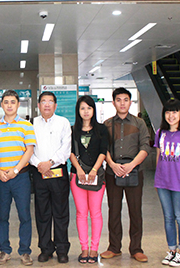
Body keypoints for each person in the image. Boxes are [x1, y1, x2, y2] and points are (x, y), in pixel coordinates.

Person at [101, 88, 151, 263]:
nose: (122, 103)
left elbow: (145, 146)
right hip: (112, 171)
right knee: (114, 210)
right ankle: (114, 247)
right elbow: (103, 148)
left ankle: (136, 249)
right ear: (113, 102)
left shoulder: (139, 123)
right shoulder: (107, 124)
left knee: (135, 210)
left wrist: (131, 165)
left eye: (126, 100)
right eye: (119, 100)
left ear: (130, 102)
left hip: (134, 171)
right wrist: (112, 164)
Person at [0, 90, 36, 266]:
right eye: (6, 102)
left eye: (13, 102)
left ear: (18, 105)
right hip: (1, 178)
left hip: (21, 178)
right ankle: (4, 250)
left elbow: (29, 150)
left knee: (24, 215)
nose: (9, 105)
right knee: (2, 216)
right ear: (1, 105)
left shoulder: (26, 125)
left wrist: (15, 170)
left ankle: (25, 251)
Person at [154, 99, 180, 267]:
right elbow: (159, 156)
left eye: (174, 112)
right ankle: (171, 250)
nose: (171, 115)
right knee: (168, 217)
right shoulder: (160, 133)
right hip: (162, 182)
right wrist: (158, 178)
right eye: (168, 112)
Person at [30, 91, 71, 264]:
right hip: (38, 172)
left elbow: (66, 148)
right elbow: (28, 149)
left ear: (55, 105)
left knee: (61, 213)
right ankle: (45, 249)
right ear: (38, 105)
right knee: (42, 213)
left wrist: (50, 162)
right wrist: (40, 165)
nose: (47, 104)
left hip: (58, 172)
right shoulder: (31, 124)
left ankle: (62, 249)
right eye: (43, 101)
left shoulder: (63, 122)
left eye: (50, 101)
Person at [69, 96, 108, 264]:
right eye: (82, 108)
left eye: (89, 108)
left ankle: (94, 249)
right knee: (81, 213)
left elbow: (103, 151)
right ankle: (84, 249)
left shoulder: (102, 129)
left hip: (96, 176)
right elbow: (70, 152)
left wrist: (93, 170)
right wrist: (79, 169)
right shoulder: (72, 130)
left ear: (93, 110)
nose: (86, 111)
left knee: (96, 212)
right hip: (77, 176)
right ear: (78, 111)